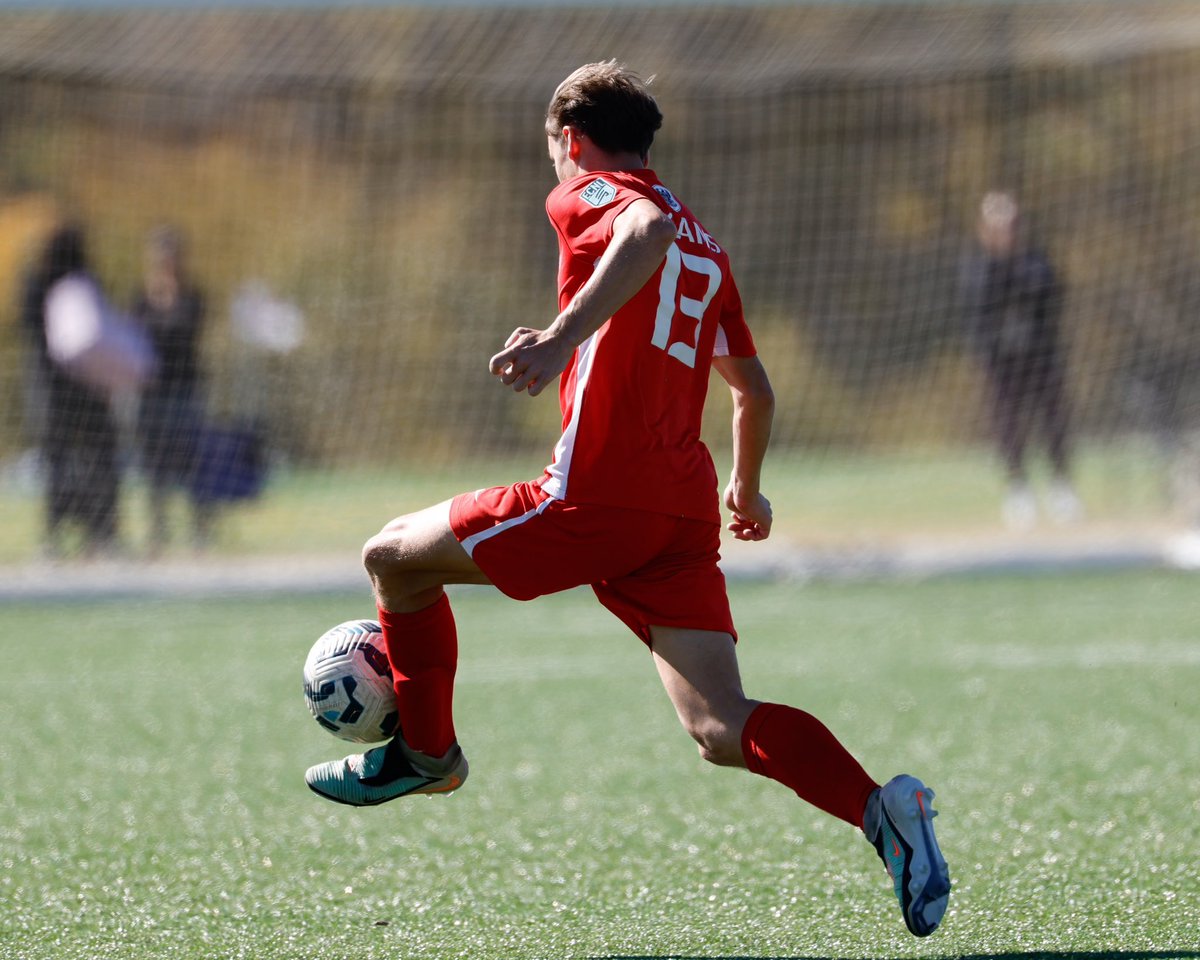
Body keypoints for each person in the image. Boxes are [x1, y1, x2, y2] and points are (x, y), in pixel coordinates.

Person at [305, 62, 951, 938]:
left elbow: (639, 227)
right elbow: (753, 390)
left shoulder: (594, 195)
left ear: (571, 141)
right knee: (721, 726)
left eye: (553, 155)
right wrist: (746, 487)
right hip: (678, 516)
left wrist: (557, 339)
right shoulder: (710, 247)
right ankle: (885, 812)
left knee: (391, 558)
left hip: (594, 498)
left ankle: (427, 753)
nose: (555, 175)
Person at [961, 190, 1082, 530]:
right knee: (1008, 425)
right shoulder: (978, 265)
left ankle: (1062, 486)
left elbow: (1050, 294)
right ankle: (1019, 489)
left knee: (1053, 421)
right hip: (1001, 362)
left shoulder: (1035, 259)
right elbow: (977, 303)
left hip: (1039, 356)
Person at [19, 224, 122, 557]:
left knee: (89, 457)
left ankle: (99, 532)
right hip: (61, 388)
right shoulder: (49, 284)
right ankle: (64, 533)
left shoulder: (82, 284)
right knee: (63, 461)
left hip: (78, 388)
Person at [130, 226, 211, 552]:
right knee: (155, 468)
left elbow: (184, 331)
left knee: (191, 462)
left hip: (184, 391)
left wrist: (170, 297)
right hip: (151, 394)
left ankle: (199, 532)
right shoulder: (140, 297)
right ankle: (157, 533)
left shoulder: (192, 296)